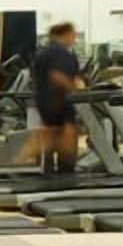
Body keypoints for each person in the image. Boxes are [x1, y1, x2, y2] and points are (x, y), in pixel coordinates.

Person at [32, 22, 82, 172]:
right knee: (67, 143)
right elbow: (57, 75)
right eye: (73, 35)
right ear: (65, 34)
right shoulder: (61, 53)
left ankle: (46, 174)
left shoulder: (42, 53)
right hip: (60, 102)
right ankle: (66, 177)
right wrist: (76, 89)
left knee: (49, 139)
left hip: (44, 103)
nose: (74, 39)